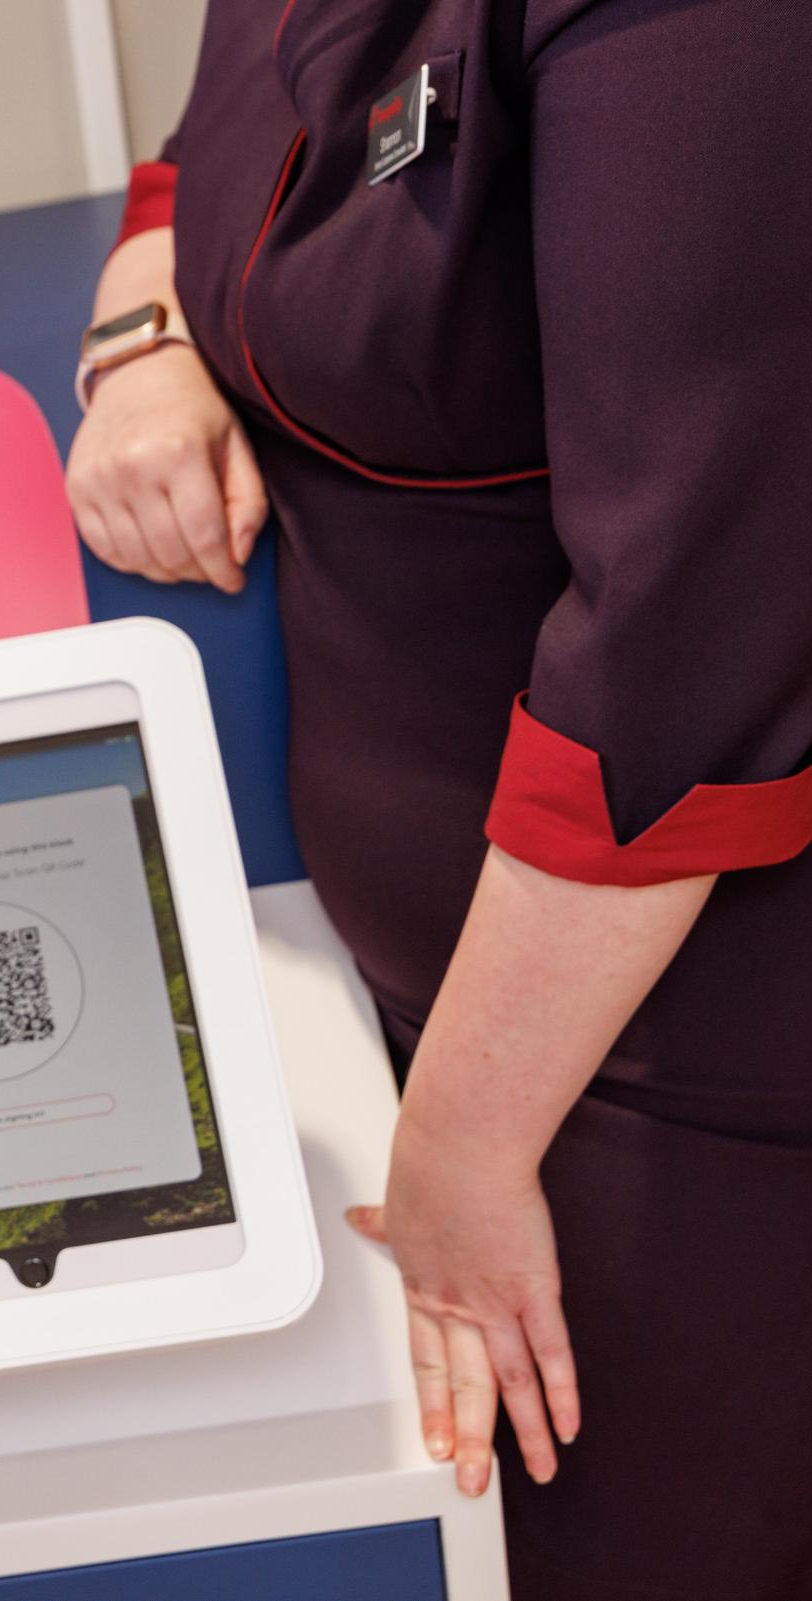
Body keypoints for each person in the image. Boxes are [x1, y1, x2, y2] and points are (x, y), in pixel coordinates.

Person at [64, 2, 812, 1597]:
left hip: (670, 1049)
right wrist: (145, 337)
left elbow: (680, 655)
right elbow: (215, 157)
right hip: (428, 1005)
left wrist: (461, 1156)